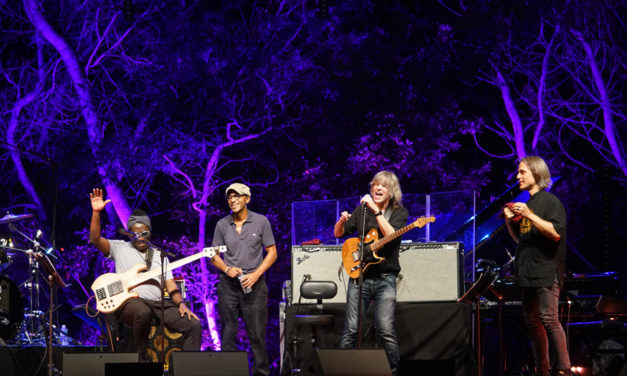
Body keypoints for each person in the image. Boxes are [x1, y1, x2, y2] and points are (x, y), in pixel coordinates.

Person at [89, 188, 201, 362]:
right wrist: (96, 212)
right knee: (143, 311)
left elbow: (170, 285)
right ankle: (142, 361)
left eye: (144, 233)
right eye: (136, 233)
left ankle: (187, 369)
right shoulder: (119, 248)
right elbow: (95, 239)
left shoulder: (159, 255)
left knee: (194, 325)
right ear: (129, 233)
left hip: (159, 304)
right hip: (130, 303)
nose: (140, 237)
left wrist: (181, 304)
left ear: (150, 233)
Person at [333, 171, 409, 376]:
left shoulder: (399, 212)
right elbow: (338, 233)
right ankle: (342, 371)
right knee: (350, 329)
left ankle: (392, 372)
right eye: (375, 184)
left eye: (383, 185)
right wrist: (341, 221)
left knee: (385, 331)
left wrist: (375, 210)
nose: (377, 188)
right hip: (360, 277)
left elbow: (391, 235)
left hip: (386, 279)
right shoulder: (362, 210)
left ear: (391, 191)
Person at [503, 156, 571, 376]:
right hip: (527, 272)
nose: (518, 176)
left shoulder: (551, 202)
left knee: (549, 319)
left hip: (546, 271)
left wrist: (529, 215)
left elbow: (555, 234)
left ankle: (563, 369)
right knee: (532, 323)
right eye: (518, 172)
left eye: (523, 172)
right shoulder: (527, 204)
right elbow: (521, 239)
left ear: (536, 173)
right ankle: (542, 370)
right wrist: (508, 221)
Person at [210, 183, 277, 376]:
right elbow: (213, 256)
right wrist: (227, 268)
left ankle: (260, 373)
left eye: (237, 196)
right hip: (228, 286)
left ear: (247, 199)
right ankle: (229, 372)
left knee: (257, 334)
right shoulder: (222, 224)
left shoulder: (261, 221)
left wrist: (256, 274)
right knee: (228, 333)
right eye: (230, 197)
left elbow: (272, 253)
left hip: (254, 286)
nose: (233, 200)